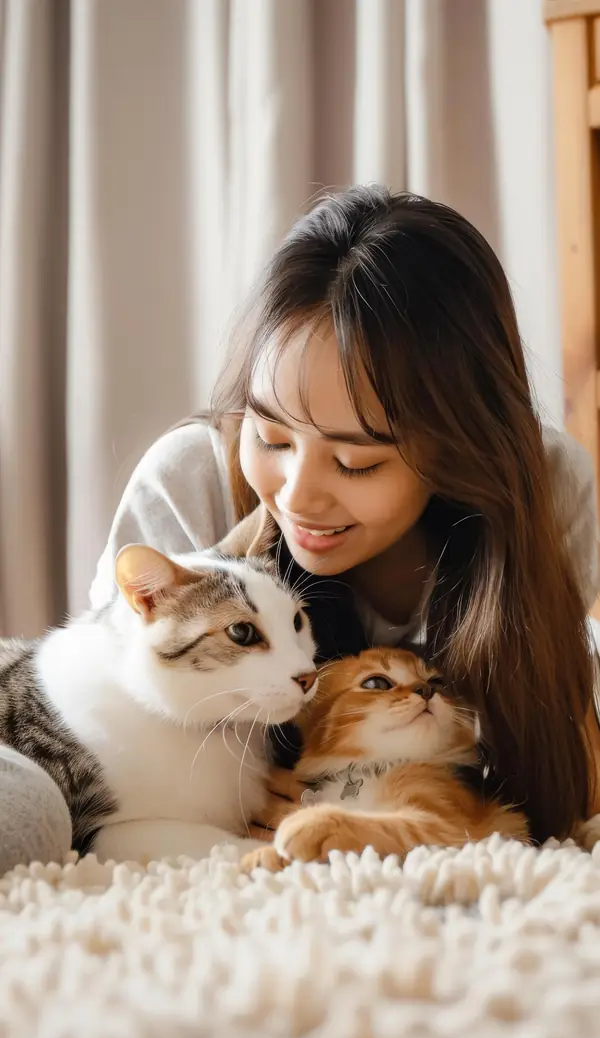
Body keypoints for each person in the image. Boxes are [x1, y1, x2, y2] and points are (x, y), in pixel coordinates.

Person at [1, 184, 598, 873]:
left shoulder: (544, 490)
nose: (296, 496)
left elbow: (537, 770)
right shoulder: (192, 482)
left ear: (458, 447)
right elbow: (98, 754)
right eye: (272, 436)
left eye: (355, 461)